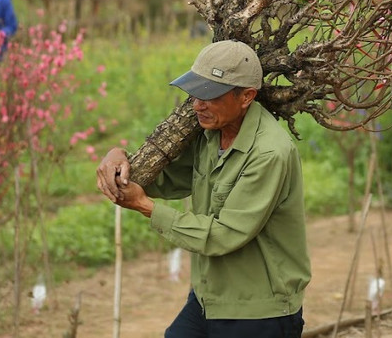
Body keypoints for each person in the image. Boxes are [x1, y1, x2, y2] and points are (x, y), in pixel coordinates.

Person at [97, 40, 310, 337]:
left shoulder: (269, 153)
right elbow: (167, 179)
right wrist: (119, 157)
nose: (198, 105)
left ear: (246, 96)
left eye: (211, 96)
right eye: (196, 92)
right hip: (208, 299)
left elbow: (224, 234)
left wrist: (146, 207)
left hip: (259, 310)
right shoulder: (210, 134)